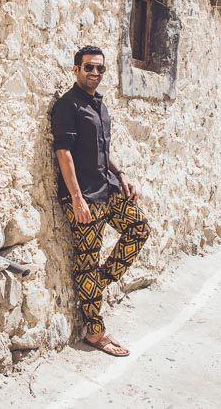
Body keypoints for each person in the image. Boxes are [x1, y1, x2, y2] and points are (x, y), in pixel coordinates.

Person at [50, 45, 151, 357]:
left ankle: (96, 283)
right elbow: (63, 152)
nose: (94, 73)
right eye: (88, 67)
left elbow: (103, 150)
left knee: (139, 229)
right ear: (76, 69)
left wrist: (121, 175)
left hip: (107, 189)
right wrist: (77, 199)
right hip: (83, 198)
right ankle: (95, 332)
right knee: (86, 261)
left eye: (99, 69)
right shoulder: (68, 105)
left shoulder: (99, 106)